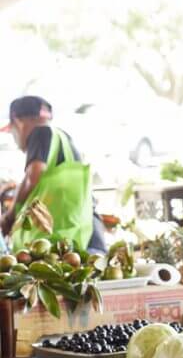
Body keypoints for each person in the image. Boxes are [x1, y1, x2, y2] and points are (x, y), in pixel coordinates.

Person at [0, 96, 105, 253]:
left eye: (12, 131)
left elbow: (33, 176)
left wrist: (9, 217)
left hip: (63, 241)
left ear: (18, 122)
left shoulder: (40, 132)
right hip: (88, 231)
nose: (15, 139)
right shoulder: (63, 138)